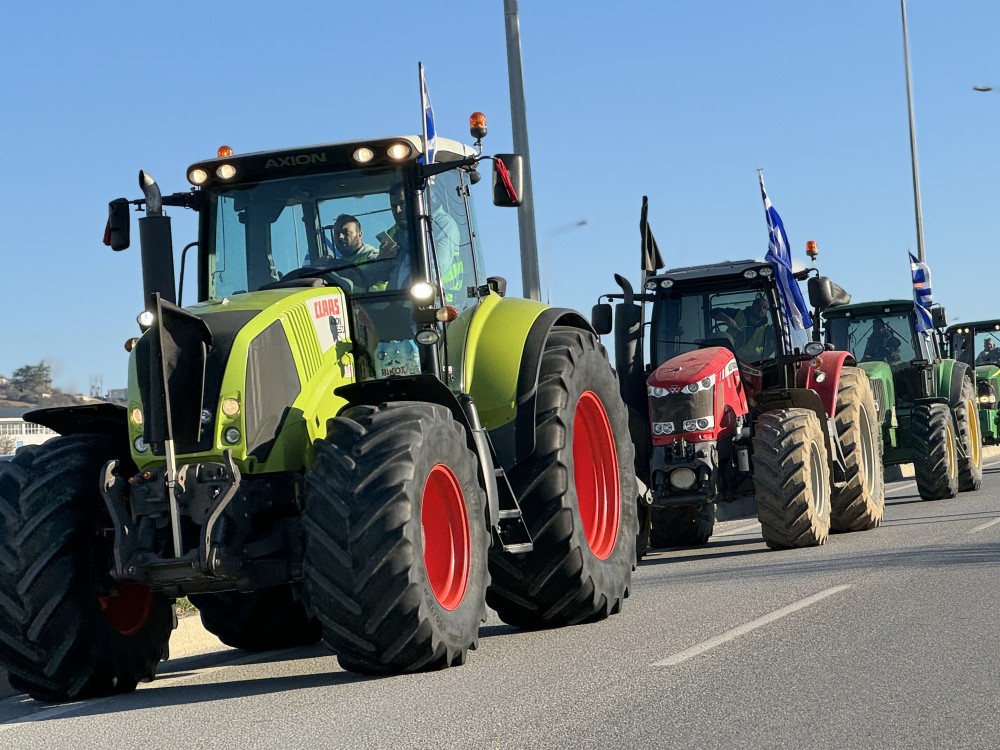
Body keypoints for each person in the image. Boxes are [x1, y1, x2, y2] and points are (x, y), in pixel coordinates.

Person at [379, 184, 463, 300]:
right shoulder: (397, 234)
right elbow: (383, 275)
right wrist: (383, 260)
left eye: (403, 203)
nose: (398, 210)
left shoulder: (442, 225)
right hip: (399, 303)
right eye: (394, 206)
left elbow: (436, 267)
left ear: (419, 201)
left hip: (439, 302)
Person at [712, 295, 773, 361]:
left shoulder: (767, 329)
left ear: (766, 311)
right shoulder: (738, 314)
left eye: (764, 308)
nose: (760, 309)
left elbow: (773, 346)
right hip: (728, 357)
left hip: (751, 363)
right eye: (758, 305)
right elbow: (713, 312)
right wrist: (726, 318)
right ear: (753, 305)